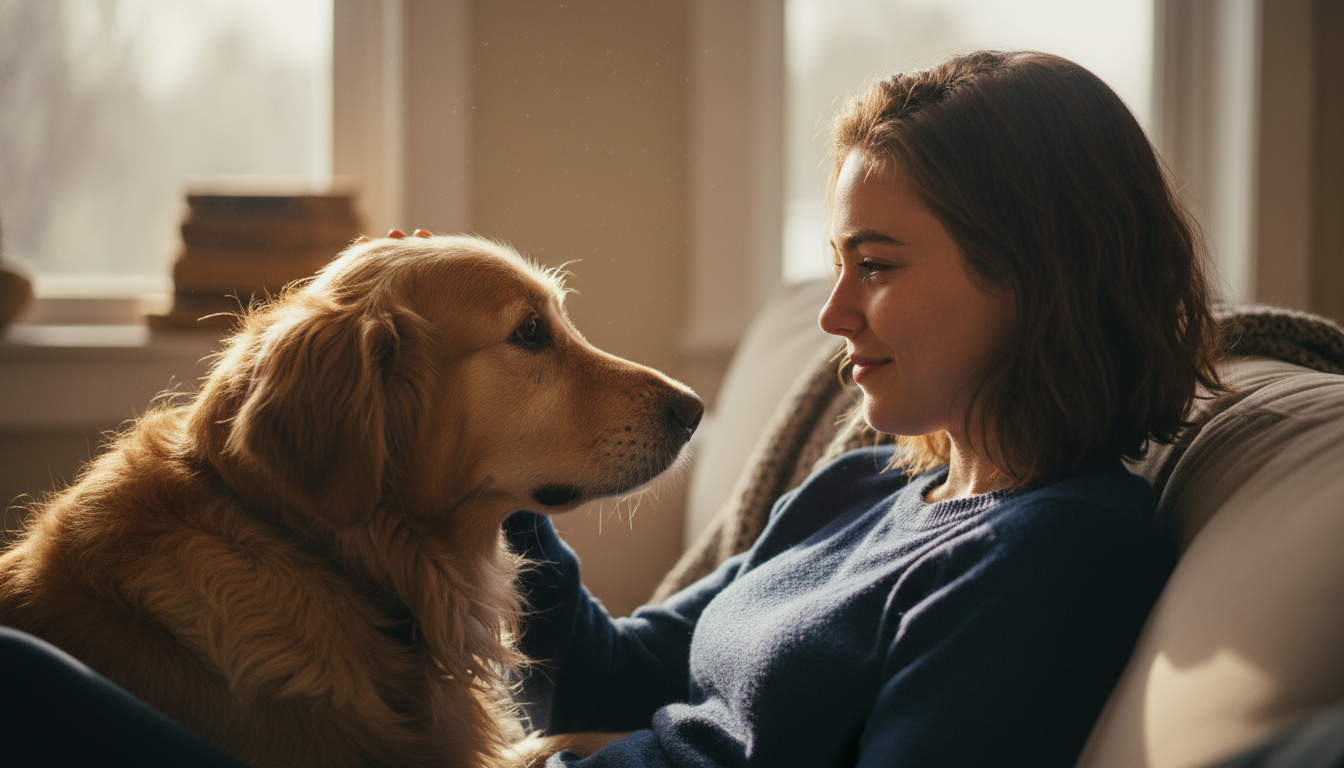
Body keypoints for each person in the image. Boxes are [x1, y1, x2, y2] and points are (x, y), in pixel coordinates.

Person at [504, 50, 1223, 767]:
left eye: (875, 265)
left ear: (1036, 273)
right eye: (838, 264)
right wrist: (497, 469)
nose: (832, 315)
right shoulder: (858, 486)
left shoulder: (1059, 554)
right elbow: (606, 683)